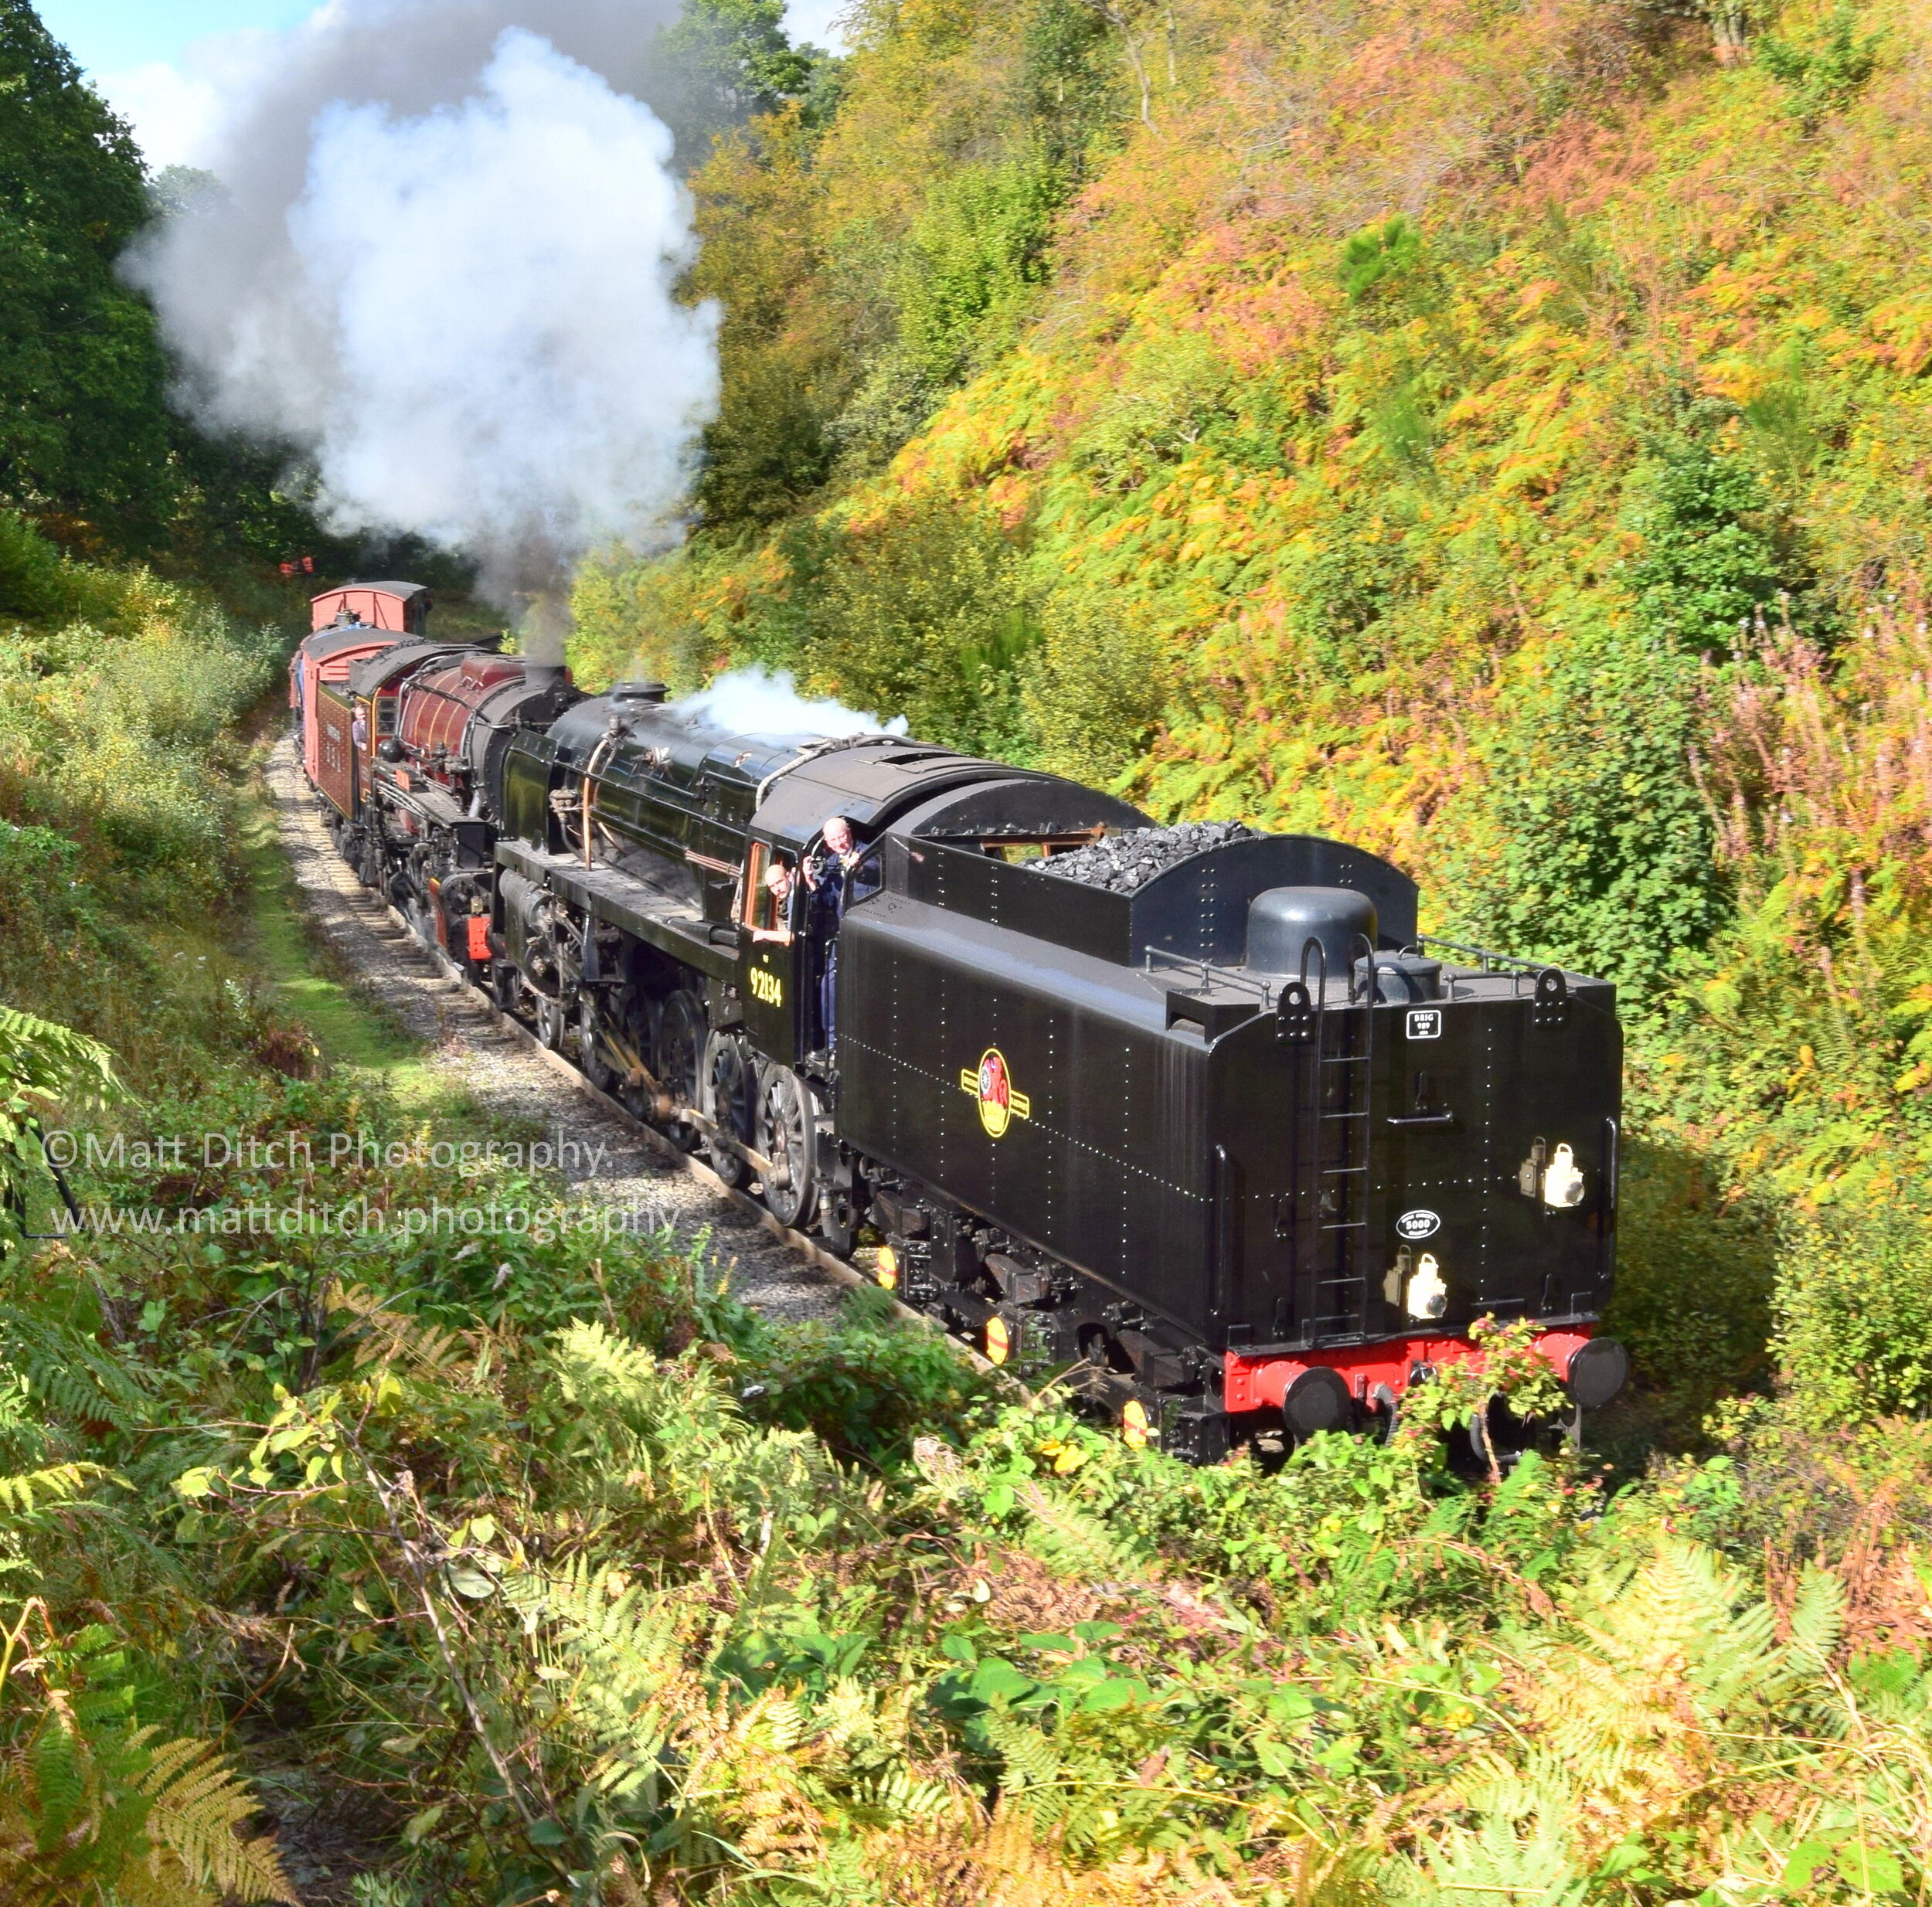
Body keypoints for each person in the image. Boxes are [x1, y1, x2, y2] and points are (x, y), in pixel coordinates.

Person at [803, 814, 862, 1052]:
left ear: (850, 834)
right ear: (827, 843)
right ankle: (832, 1043)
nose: (840, 843)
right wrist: (811, 882)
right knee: (829, 985)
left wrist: (859, 868)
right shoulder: (833, 862)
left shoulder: (869, 855)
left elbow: (875, 872)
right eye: (834, 840)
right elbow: (827, 900)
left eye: (843, 836)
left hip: (864, 934)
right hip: (843, 935)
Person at [750, 858, 794, 943]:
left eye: (779, 882)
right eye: (772, 886)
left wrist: (763, 934)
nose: (777, 889)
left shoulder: (794, 898)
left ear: (789, 877)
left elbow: (791, 936)